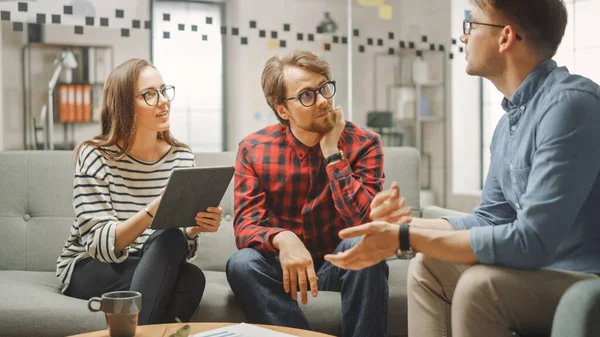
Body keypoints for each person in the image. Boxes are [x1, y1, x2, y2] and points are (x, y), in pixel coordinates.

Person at [325, 0, 600, 336]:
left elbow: (531, 241)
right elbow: (489, 218)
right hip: (544, 271)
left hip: (583, 278)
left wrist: (404, 238)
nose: (462, 38)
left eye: (471, 25)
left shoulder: (570, 104)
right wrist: (403, 223)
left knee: (480, 286)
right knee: (430, 266)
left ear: (505, 38)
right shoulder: (507, 127)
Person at [226, 50, 393, 337]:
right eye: (307, 95)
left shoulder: (364, 143)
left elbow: (366, 223)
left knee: (367, 246)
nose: (324, 100)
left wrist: (332, 155)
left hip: (339, 267)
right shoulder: (254, 149)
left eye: (325, 88)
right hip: (283, 271)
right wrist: (283, 238)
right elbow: (245, 227)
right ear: (282, 109)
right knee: (241, 264)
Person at [56, 58, 223, 324]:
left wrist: (193, 230)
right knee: (180, 272)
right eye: (149, 95)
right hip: (91, 265)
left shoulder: (181, 157)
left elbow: (176, 247)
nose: (164, 101)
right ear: (124, 106)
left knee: (186, 265)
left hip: (151, 261)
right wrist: (152, 211)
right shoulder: (95, 155)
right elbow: (99, 244)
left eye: (164, 90)